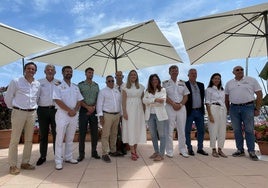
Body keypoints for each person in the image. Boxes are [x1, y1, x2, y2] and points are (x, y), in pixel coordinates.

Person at [4, 62, 40, 175]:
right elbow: (8, 97)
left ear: (35, 71)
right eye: (29, 68)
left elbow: (36, 98)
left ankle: (25, 162)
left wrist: (33, 109)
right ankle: (12, 165)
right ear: (25, 69)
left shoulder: (37, 84)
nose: (31, 70)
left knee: (29, 140)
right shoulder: (16, 81)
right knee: (14, 140)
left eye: (33, 69)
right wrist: (15, 108)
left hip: (32, 113)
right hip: (18, 112)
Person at [225, 66, 262, 161]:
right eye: (237, 70)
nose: (240, 71)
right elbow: (226, 98)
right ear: (233, 72)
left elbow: (259, 94)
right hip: (234, 108)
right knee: (237, 130)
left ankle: (251, 151)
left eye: (241, 69)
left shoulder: (252, 80)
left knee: (249, 130)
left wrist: (257, 108)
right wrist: (228, 110)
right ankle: (240, 150)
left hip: (248, 107)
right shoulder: (229, 83)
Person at [53, 66, 83, 170]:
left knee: (70, 137)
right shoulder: (58, 85)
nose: (69, 73)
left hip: (74, 115)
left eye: (70, 71)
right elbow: (57, 100)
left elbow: (80, 100)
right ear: (62, 73)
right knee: (60, 138)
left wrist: (75, 110)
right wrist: (69, 110)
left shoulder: (75, 87)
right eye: (66, 71)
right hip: (62, 114)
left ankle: (68, 157)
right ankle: (58, 161)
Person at [163, 65, 189, 158]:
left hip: (181, 107)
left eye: (176, 70)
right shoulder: (165, 83)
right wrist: (173, 104)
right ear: (169, 72)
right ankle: (169, 150)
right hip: (170, 107)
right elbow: (164, 96)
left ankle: (182, 150)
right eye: (172, 70)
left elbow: (186, 96)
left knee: (181, 130)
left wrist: (180, 104)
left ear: (178, 72)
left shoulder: (182, 83)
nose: (174, 72)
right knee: (169, 130)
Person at [36, 64, 60, 166]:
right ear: (45, 71)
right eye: (48, 70)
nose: (50, 71)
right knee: (43, 134)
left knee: (56, 134)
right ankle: (42, 156)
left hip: (55, 110)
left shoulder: (59, 83)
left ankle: (57, 156)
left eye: (52, 70)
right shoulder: (39, 82)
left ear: (55, 72)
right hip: (42, 110)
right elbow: (36, 97)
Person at [122, 69, 146, 161]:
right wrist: (124, 112)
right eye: (131, 74)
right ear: (129, 76)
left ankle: (135, 150)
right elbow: (123, 101)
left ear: (137, 76)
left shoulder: (141, 87)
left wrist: (144, 112)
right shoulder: (125, 87)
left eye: (134, 74)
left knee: (137, 129)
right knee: (130, 129)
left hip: (139, 111)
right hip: (129, 110)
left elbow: (143, 101)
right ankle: (132, 152)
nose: (133, 76)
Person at [96, 75, 122, 163]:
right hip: (107, 115)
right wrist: (101, 116)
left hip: (117, 115)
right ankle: (105, 153)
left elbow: (120, 103)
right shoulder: (102, 91)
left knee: (114, 134)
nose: (111, 82)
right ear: (106, 82)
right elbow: (99, 104)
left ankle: (113, 151)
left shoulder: (117, 91)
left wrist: (121, 114)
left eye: (112, 81)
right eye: (109, 81)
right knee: (105, 134)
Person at [77, 67, 100, 162]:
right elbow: (79, 98)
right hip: (83, 110)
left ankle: (94, 152)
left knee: (95, 133)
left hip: (94, 110)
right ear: (85, 74)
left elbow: (98, 98)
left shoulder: (96, 85)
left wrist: (93, 107)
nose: (91, 74)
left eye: (92, 73)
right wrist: (87, 107)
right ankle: (81, 154)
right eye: (89, 72)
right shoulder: (80, 85)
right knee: (82, 133)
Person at [143, 74, 168, 161]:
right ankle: (156, 152)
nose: (154, 81)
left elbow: (162, 101)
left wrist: (151, 101)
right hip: (150, 115)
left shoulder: (163, 90)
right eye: (153, 79)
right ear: (150, 81)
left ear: (158, 80)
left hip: (160, 115)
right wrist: (155, 100)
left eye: (156, 79)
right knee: (153, 135)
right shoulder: (147, 91)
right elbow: (144, 101)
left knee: (162, 135)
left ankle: (161, 154)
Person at [185, 68, 208, 156]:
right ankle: (189, 148)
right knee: (187, 131)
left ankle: (200, 148)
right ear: (188, 75)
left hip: (200, 111)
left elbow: (204, 98)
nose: (194, 75)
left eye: (195, 73)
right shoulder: (185, 84)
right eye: (191, 73)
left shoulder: (201, 85)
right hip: (189, 111)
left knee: (201, 131)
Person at [205, 73, 227, 158]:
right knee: (213, 129)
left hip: (222, 109)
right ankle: (213, 149)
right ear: (212, 79)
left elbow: (224, 101)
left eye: (218, 78)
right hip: (213, 108)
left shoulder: (222, 90)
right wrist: (209, 115)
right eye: (215, 78)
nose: (217, 80)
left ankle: (220, 149)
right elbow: (207, 102)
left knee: (222, 130)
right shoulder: (209, 90)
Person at [114, 71, 127, 155]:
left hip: (125, 111)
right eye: (117, 75)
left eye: (120, 75)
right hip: (115, 111)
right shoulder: (112, 86)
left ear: (122, 77)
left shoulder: (126, 86)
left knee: (125, 130)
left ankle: (124, 147)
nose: (119, 77)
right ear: (115, 77)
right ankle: (116, 147)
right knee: (116, 130)